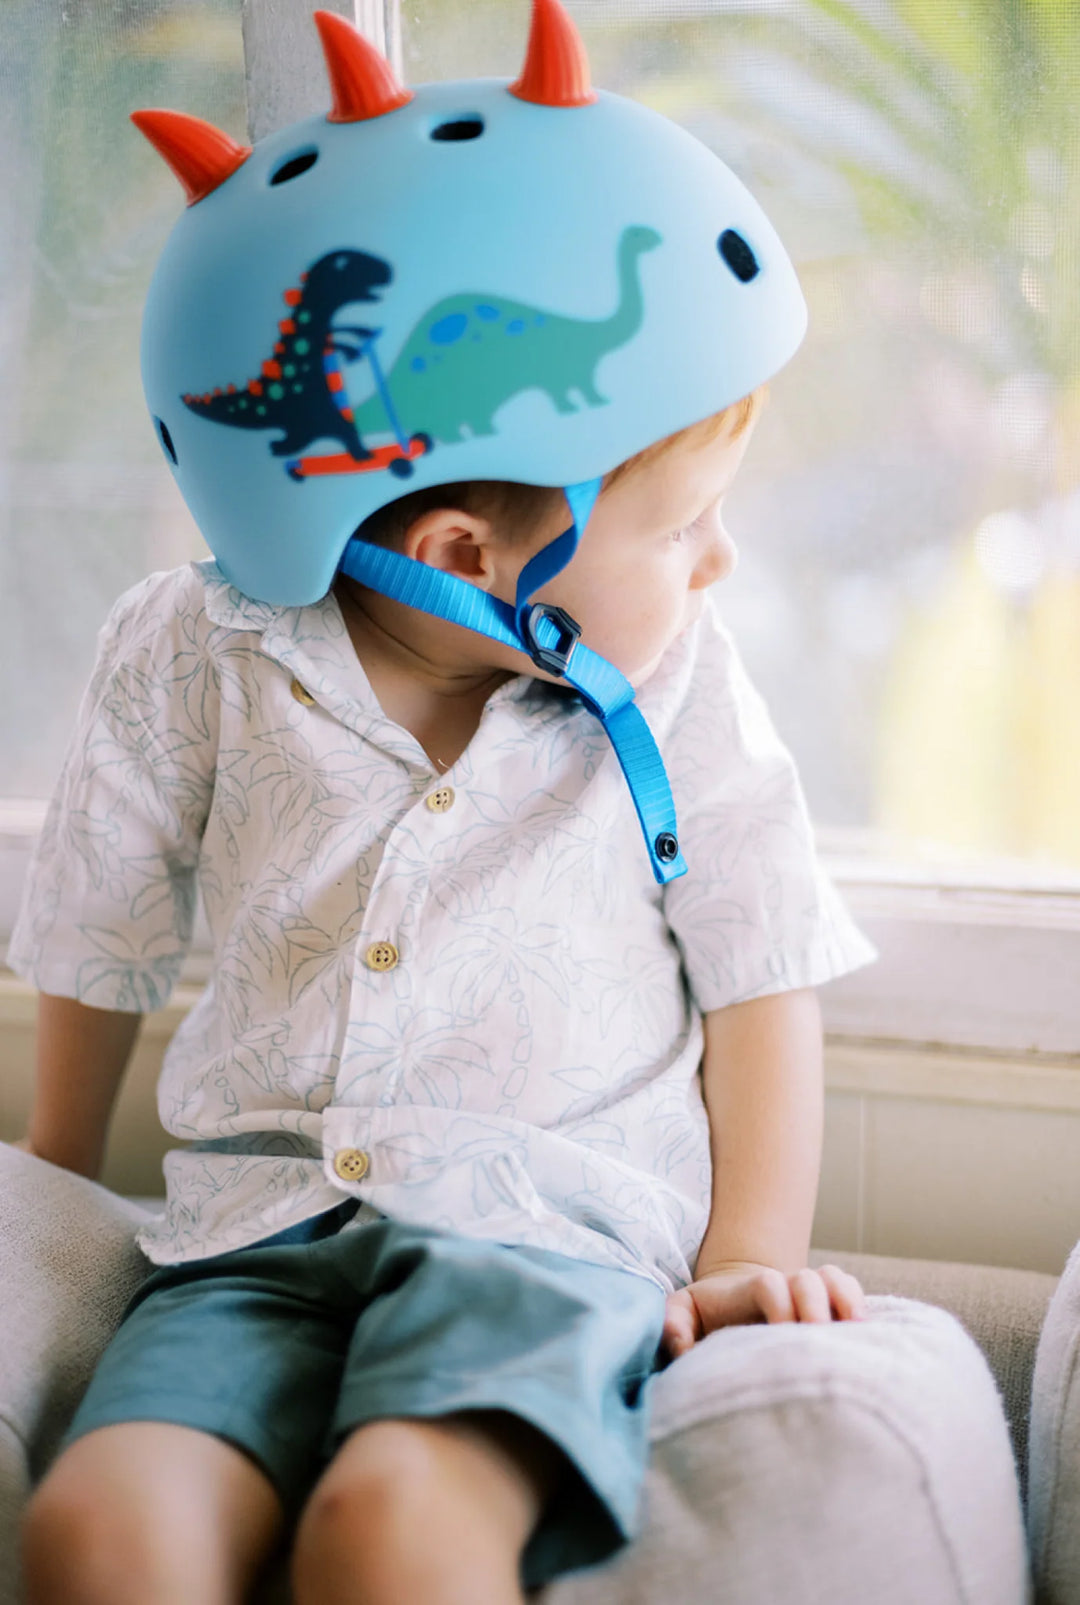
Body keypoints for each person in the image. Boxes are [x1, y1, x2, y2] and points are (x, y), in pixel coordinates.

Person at [12, 4, 879, 1602]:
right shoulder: (196, 652)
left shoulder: (682, 686)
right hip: (248, 1245)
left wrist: (749, 1247)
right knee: (96, 1531)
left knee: (395, 1525)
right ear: (475, 562)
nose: (718, 562)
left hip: (538, 1242)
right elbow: (99, 921)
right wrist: (52, 1171)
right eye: (684, 524)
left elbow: (763, 959)